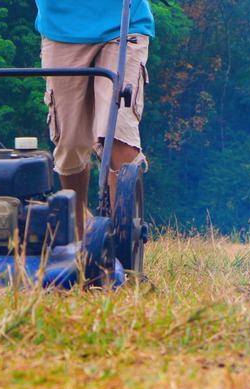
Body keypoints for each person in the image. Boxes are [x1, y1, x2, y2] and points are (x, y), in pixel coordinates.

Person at [34, 0, 154, 239]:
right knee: (70, 144)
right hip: (61, 30)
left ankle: (122, 246)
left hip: (123, 23)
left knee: (118, 134)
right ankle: (80, 236)